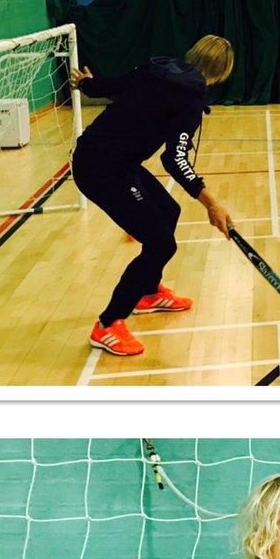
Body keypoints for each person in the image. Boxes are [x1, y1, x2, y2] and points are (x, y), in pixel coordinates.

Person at [70, 35, 235, 358]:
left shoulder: (154, 68)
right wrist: (211, 204)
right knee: (162, 244)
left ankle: (148, 292)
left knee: (169, 211)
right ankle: (108, 324)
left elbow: (113, 86)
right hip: (102, 170)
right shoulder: (190, 100)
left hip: (112, 160)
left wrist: (87, 84)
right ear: (221, 73)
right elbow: (174, 159)